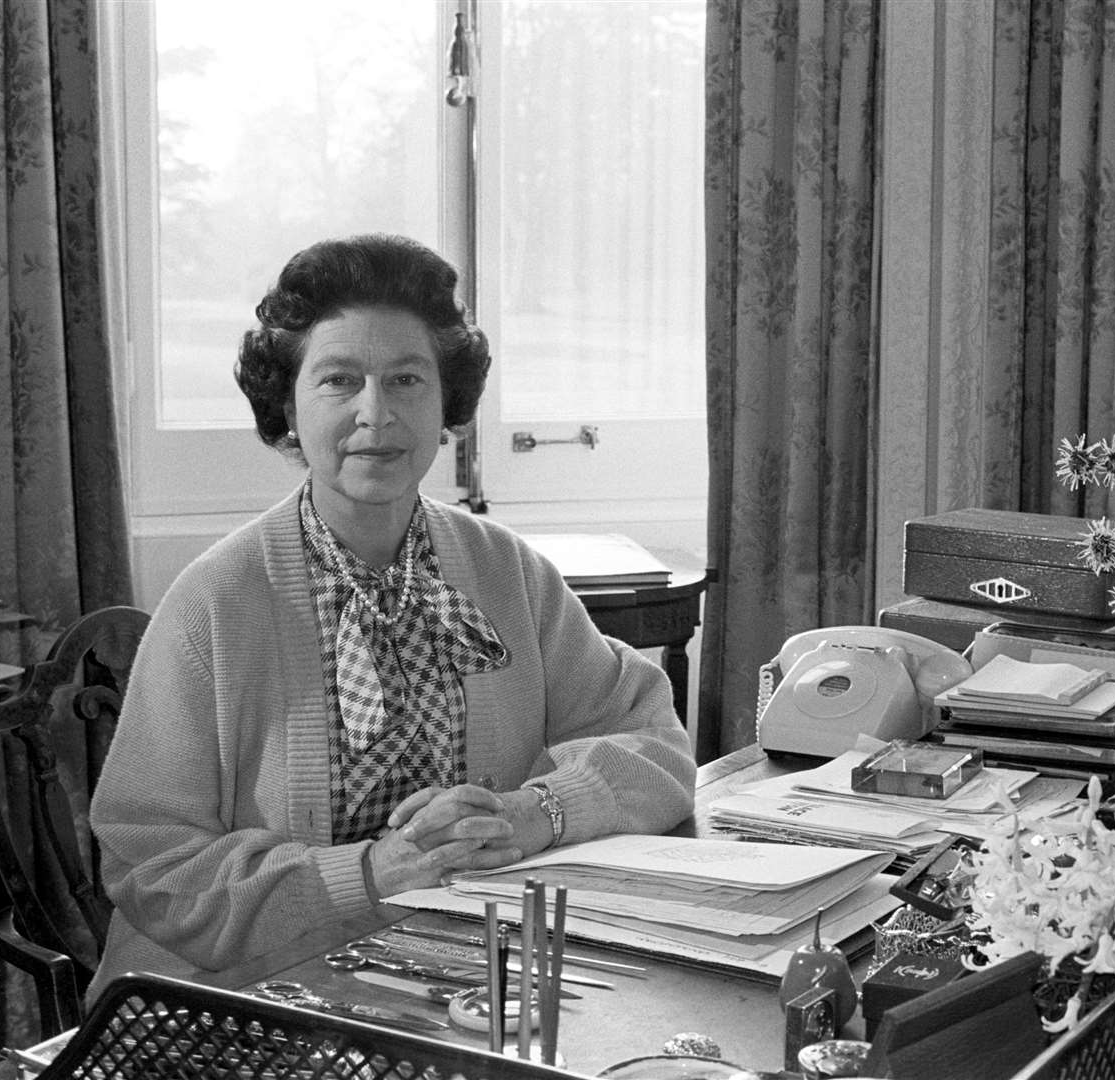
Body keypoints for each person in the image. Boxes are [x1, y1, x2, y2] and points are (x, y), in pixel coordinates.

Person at [87, 233, 697, 1001]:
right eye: (339, 380)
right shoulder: (216, 600)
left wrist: (532, 813)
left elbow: (656, 744)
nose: (376, 414)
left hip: (460, 984)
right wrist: (369, 874)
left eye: (407, 380)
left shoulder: (506, 573)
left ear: (448, 405)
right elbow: (154, 868)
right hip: (243, 996)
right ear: (288, 405)